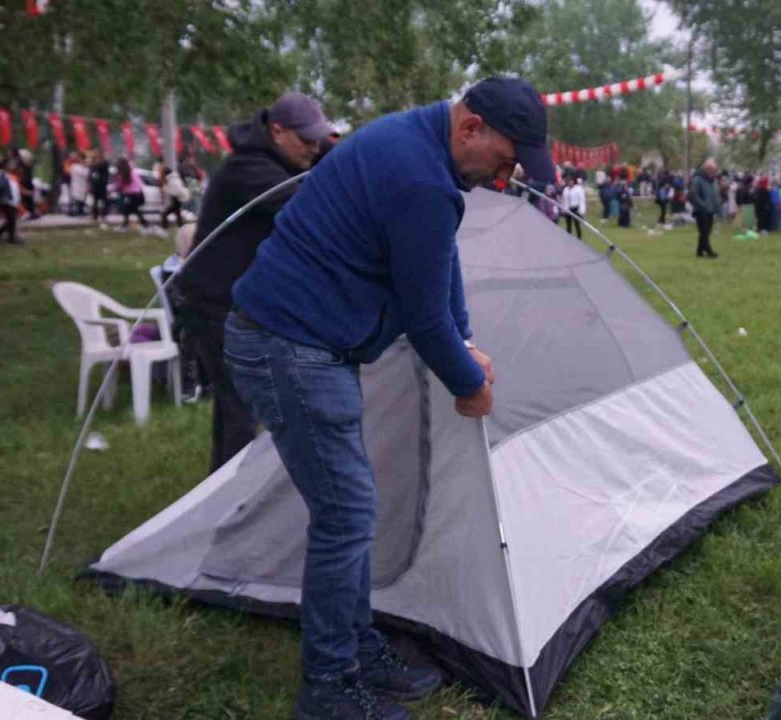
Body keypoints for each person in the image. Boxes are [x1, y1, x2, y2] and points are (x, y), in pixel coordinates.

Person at [226, 76, 551, 720]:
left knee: (351, 508)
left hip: (302, 340)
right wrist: (470, 387)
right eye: (507, 160)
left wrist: (464, 337)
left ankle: (356, 647)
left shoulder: (420, 148)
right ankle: (328, 685)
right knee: (347, 512)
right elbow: (424, 320)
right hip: (288, 344)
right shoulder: (420, 178)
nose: (504, 178)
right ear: (471, 129)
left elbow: (437, 268)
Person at [173, 92, 333, 474]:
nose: (314, 149)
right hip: (212, 304)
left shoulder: (279, 155)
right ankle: (228, 500)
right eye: (306, 141)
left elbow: (331, 156)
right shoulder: (251, 168)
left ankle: (222, 489)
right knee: (241, 407)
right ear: (277, 131)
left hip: (234, 301)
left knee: (240, 404)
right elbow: (309, 207)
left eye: (318, 140)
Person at [689, 158, 722, 258]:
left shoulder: (713, 180)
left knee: (706, 231)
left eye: (713, 169)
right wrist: (702, 205)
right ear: (705, 169)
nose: (712, 171)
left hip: (711, 209)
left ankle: (699, 251)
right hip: (701, 210)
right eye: (710, 169)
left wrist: (717, 204)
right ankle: (709, 251)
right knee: (704, 231)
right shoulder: (697, 179)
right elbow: (694, 195)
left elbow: (715, 193)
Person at [0, 158, 23, 245]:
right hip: (6, 200)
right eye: (9, 164)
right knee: (11, 220)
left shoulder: (8, 174)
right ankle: (1, 235)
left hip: (12, 200)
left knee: (11, 220)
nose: (11, 166)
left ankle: (9, 236)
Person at [110, 157, 150, 232]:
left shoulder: (124, 174)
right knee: (129, 210)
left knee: (131, 210)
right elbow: (139, 183)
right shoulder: (132, 172)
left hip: (131, 195)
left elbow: (118, 185)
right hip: (139, 194)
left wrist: (109, 189)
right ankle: (128, 225)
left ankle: (143, 225)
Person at [88, 150, 110, 222]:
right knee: (95, 200)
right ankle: (95, 215)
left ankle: (103, 214)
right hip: (95, 185)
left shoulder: (104, 163)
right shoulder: (93, 164)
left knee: (103, 200)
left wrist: (104, 182)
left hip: (102, 184)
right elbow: (91, 174)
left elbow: (106, 175)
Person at [67, 152, 90, 217]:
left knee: (82, 199)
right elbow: (73, 172)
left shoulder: (85, 167)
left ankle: (80, 211)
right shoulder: (74, 166)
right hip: (76, 184)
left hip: (83, 185)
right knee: (75, 198)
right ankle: (72, 211)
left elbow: (87, 174)